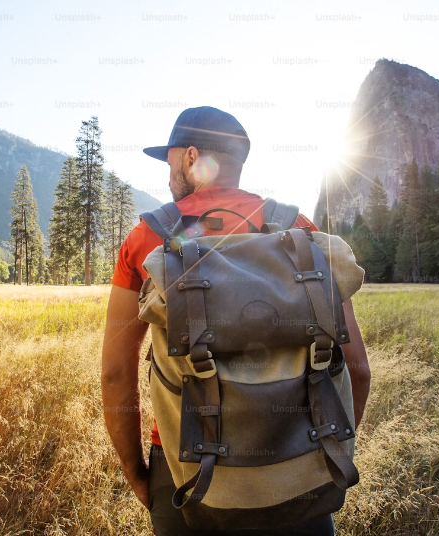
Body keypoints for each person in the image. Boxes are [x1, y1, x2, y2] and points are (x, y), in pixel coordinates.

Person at [101, 106, 371, 535]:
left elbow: (116, 373)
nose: (168, 173)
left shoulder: (146, 240)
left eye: (170, 161)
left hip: (183, 471)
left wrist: (141, 474)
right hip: (299, 466)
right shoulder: (300, 234)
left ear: (191, 158)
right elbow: (356, 368)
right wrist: (325, 450)